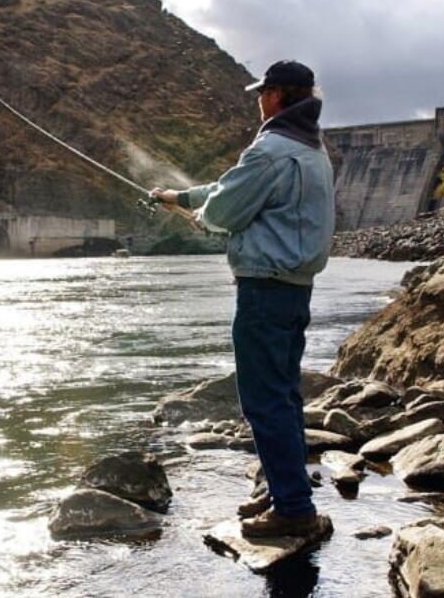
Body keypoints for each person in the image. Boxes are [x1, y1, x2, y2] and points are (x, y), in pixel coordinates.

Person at [151, 60, 335, 538]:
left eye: (262, 92)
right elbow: (229, 190)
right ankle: (285, 494)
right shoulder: (312, 148)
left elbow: (227, 207)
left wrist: (205, 216)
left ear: (275, 96)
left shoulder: (270, 148)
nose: (257, 100)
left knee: (264, 400)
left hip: (263, 291)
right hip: (295, 290)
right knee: (285, 394)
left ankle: (293, 508)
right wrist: (182, 197)